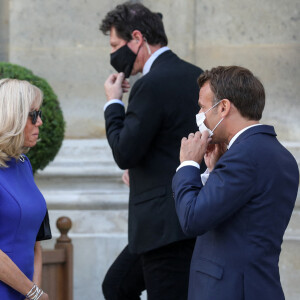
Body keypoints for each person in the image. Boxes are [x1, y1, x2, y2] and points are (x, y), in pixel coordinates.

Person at [99, 2, 205, 299]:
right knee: (117, 285)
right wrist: (142, 170)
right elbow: (172, 141)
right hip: (184, 215)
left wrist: (113, 103)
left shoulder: (150, 84)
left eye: (115, 44)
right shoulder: (196, 74)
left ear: (137, 38)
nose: (113, 54)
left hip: (162, 226)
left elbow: (124, 153)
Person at [172, 66, 299, 300]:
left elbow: (192, 219)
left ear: (223, 107)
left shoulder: (244, 156)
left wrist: (188, 165)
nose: (200, 115)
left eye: (202, 107)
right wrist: (212, 170)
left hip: (229, 290)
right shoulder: (278, 154)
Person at [0, 78, 49, 300]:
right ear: (13, 116)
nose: (39, 122)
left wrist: (34, 291)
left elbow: (34, 242)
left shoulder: (23, 164)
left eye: (39, 114)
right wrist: (34, 293)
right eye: (33, 115)